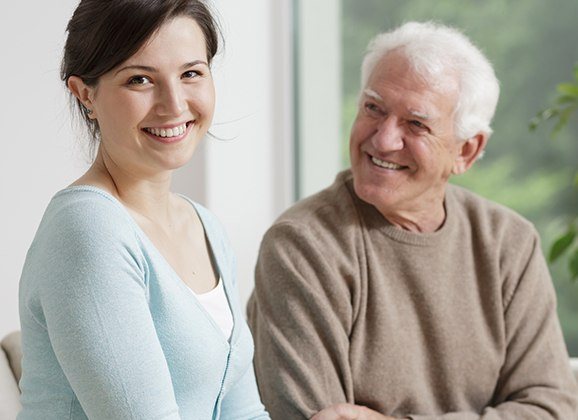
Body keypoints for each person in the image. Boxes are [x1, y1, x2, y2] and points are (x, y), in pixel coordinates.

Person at [248, 21, 578, 419]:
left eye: (416, 124)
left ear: (467, 152)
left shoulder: (509, 243)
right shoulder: (303, 246)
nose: (384, 139)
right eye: (374, 108)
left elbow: (553, 408)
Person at [18, 1, 269, 418]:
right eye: (140, 79)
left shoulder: (204, 226)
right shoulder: (87, 230)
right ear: (85, 95)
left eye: (191, 73)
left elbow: (243, 412)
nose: (174, 104)